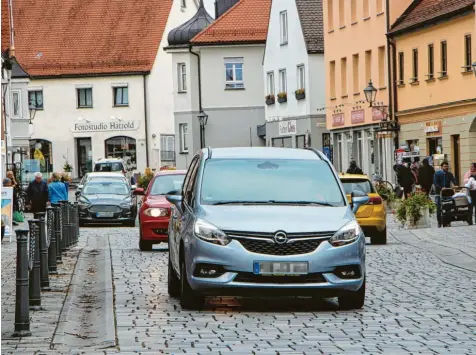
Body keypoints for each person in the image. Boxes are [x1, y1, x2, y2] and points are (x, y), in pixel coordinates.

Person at [433, 161, 457, 228]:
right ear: (441, 167)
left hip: (447, 193)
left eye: (447, 166)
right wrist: (441, 188)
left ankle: (447, 222)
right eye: (445, 166)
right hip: (439, 193)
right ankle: (439, 222)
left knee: (449, 207)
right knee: (438, 208)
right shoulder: (437, 174)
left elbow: (453, 180)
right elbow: (435, 183)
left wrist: (455, 185)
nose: (446, 168)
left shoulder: (449, 174)